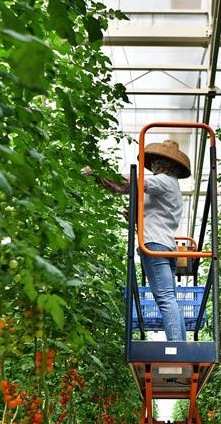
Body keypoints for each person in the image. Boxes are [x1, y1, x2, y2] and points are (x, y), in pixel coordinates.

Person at [82, 140, 191, 341]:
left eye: (159, 162)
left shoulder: (164, 181)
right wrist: (135, 216)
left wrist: (97, 174)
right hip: (166, 245)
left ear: (168, 165)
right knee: (170, 298)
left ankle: (177, 346)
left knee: (165, 298)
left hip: (154, 245)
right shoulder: (171, 186)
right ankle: (181, 344)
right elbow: (156, 213)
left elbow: (130, 182)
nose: (156, 166)